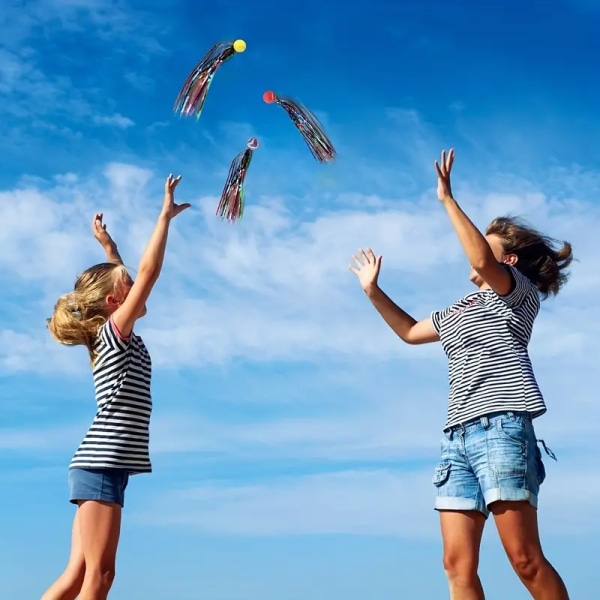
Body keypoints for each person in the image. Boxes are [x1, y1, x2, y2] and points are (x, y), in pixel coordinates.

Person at [349, 150, 572, 600]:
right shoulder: (459, 310)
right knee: (456, 565)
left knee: (524, 559)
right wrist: (374, 292)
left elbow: (485, 262)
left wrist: (448, 200)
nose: (473, 256)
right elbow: (411, 332)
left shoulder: (517, 295)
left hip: (503, 426)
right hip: (456, 438)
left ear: (508, 262)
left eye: (485, 247)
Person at [41, 174, 190, 600]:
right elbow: (147, 272)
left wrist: (108, 249)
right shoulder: (113, 334)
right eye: (127, 291)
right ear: (114, 304)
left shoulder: (113, 336)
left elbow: (127, 278)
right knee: (99, 577)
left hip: (101, 466)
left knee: (78, 574)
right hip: (101, 465)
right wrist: (163, 218)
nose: (139, 295)